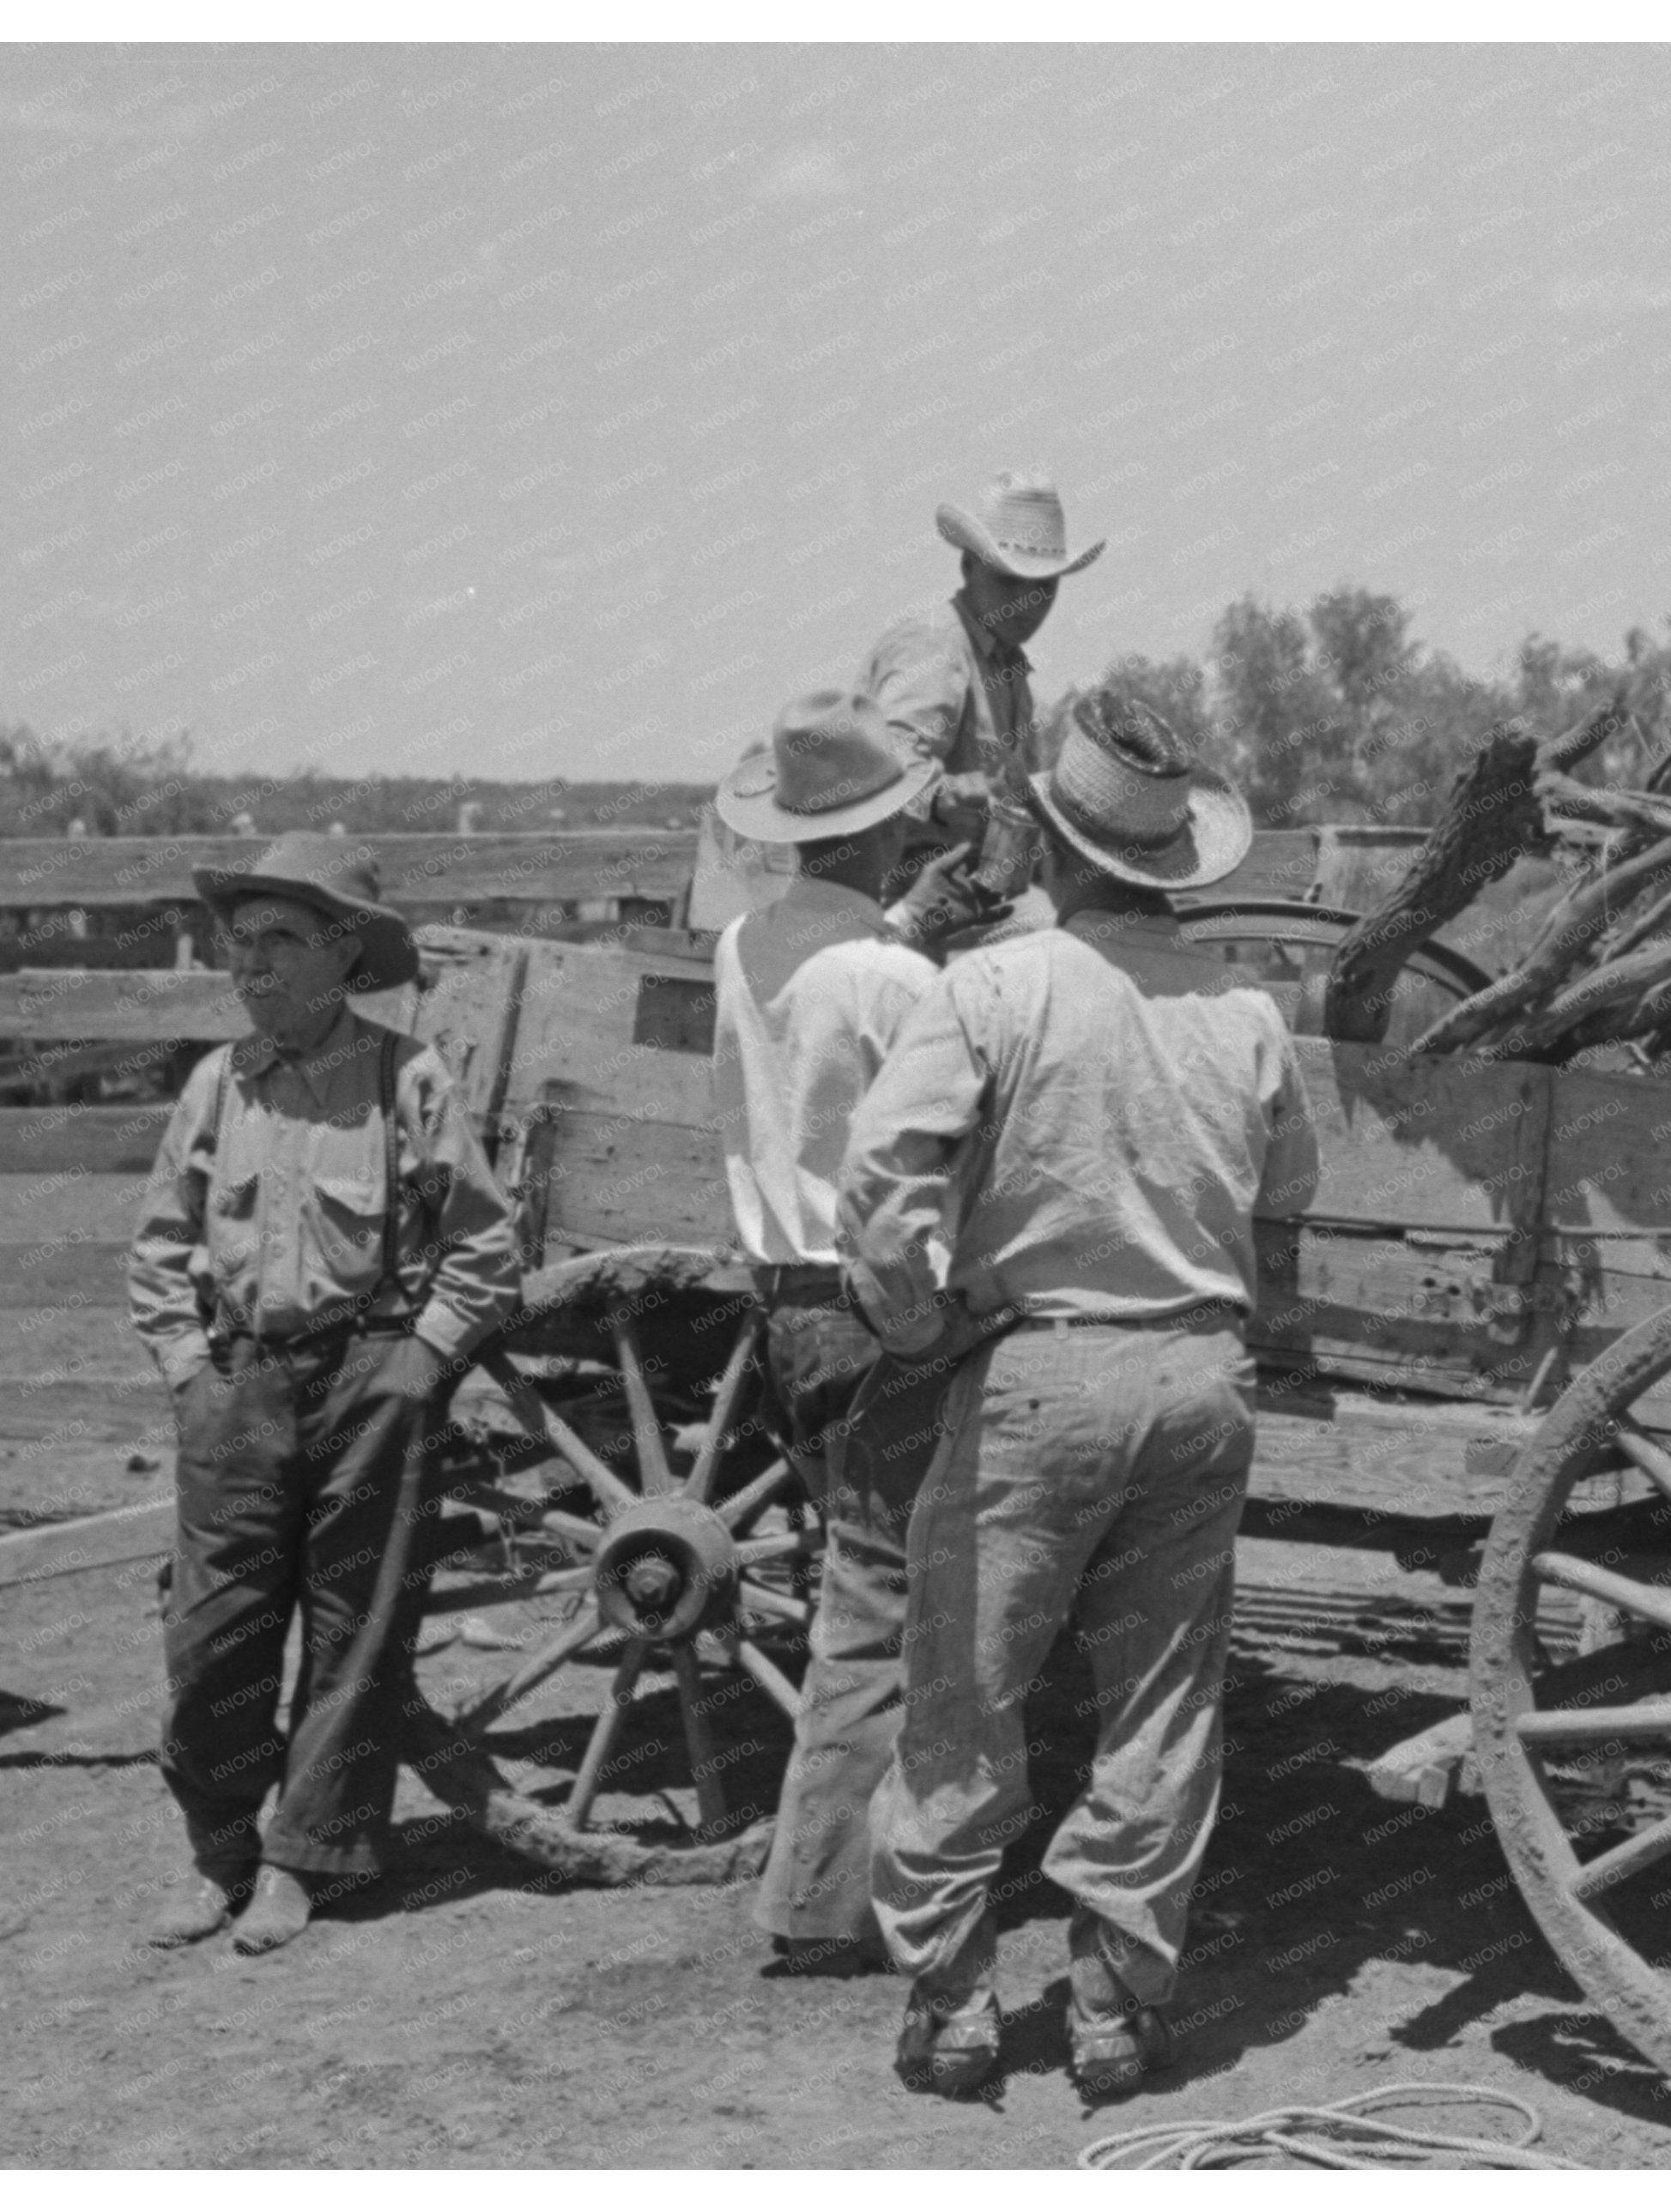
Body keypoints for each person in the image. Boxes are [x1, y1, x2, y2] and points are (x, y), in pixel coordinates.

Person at [840, 692, 1318, 2100]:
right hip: (1196, 1375)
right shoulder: (1242, 1013)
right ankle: (1112, 2007)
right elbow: (1282, 1200)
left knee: (961, 1693)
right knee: (1162, 1706)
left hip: (1039, 1371)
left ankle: (954, 2001)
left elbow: (879, 1190)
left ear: (1053, 837)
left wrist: (923, 1322)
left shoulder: (993, 988)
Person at [125, 834, 521, 1955]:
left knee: (355, 1630)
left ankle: (304, 1859)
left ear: (344, 952)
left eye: (280, 941)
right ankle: (218, 1851)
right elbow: (157, 1250)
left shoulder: (409, 1078)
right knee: (213, 1636)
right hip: (241, 1383)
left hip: (370, 1378)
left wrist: (419, 1360)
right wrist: (190, 1374)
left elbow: (484, 1244)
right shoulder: (216, 1083)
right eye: (239, 943)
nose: (250, 966)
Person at [708, 688, 1000, 1973]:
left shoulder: (742, 946)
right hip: (875, 1306)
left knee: (866, 1574)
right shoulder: (895, 975)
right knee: (880, 1601)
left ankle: (870, 1860)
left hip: (786, 1302)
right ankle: (824, 1897)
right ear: (891, 833)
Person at [685, 470, 1101, 934]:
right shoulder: (936, 648)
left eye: (1044, 587)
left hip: (973, 886)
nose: (1028, 602)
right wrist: (945, 801)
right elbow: (880, 778)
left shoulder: (1007, 667)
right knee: (1060, 939)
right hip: (911, 888)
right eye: (1010, 582)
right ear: (968, 566)